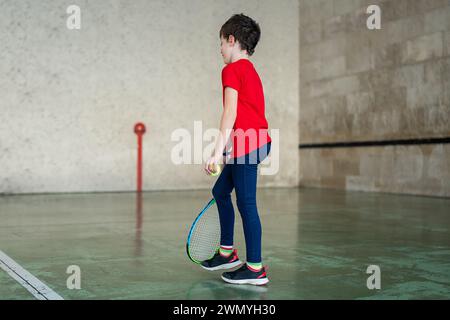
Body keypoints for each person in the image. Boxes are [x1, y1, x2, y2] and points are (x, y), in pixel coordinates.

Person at [202, 13, 272, 286]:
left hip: (250, 144)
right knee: (220, 191)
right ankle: (227, 252)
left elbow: (230, 112)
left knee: (246, 204)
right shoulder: (251, 70)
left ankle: (255, 269)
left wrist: (217, 151)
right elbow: (247, 114)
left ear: (232, 40)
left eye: (221, 42)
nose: (219, 48)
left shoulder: (231, 70)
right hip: (255, 142)